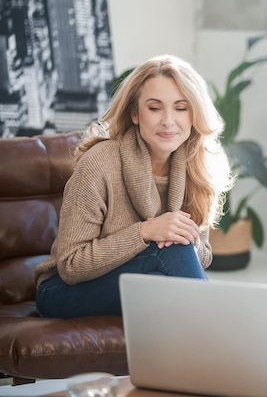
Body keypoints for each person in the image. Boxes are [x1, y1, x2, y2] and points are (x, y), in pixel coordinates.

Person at [34, 54, 233, 319]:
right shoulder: (100, 163)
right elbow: (71, 265)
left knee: (167, 272)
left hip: (142, 281)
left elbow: (202, 256)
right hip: (61, 292)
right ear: (135, 114)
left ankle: (213, 331)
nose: (168, 121)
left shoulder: (197, 167)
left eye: (181, 108)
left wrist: (182, 238)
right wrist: (146, 231)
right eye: (154, 108)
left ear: (194, 114)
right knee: (169, 256)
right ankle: (225, 323)